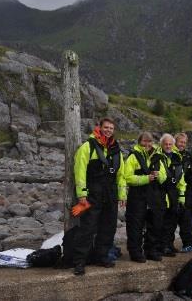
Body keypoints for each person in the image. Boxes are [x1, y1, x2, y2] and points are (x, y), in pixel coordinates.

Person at [72, 117, 126, 276]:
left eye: (111, 128)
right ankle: (79, 261)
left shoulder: (116, 149)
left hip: (111, 194)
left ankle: (102, 256)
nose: (108, 130)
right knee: (87, 228)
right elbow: (80, 171)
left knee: (108, 227)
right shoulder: (87, 147)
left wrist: (122, 195)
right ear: (99, 127)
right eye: (106, 127)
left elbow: (121, 175)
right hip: (92, 194)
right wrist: (81, 194)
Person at [124, 132, 167, 262]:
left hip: (154, 195)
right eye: (144, 141)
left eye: (149, 142)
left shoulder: (159, 157)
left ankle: (151, 250)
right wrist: (145, 178)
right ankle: (135, 252)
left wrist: (159, 175)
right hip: (137, 195)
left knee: (155, 224)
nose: (147, 144)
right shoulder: (133, 157)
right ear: (139, 142)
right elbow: (127, 177)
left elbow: (165, 177)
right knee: (136, 225)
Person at [157, 133, 186, 256]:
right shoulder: (158, 157)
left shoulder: (176, 157)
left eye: (170, 144)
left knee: (172, 221)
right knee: (162, 222)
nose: (168, 146)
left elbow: (181, 179)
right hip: (162, 192)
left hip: (174, 192)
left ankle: (169, 244)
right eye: (166, 144)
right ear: (162, 144)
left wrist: (182, 196)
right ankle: (162, 247)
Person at [173, 132, 192, 253]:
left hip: (186, 191)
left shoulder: (187, 155)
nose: (182, 144)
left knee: (186, 218)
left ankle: (188, 243)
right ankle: (168, 245)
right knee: (171, 219)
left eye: (184, 142)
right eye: (180, 142)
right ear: (175, 141)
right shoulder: (169, 153)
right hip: (171, 190)